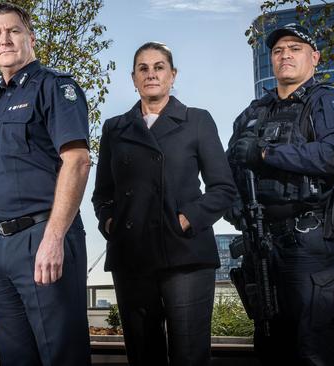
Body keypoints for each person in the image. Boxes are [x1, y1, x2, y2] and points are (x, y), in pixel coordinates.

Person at [0, 3, 92, 365]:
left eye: (13, 30)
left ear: (30, 38)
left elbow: (77, 161)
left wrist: (53, 239)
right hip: (1, 250)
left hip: (43, 236)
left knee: (61, 356)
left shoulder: (54, 86)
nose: (5, 39)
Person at [91, 41, 236, 366]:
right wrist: (110, 222)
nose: (151, 74)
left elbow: (223, 188)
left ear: (173, 75)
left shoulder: (197, 120)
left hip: (186, 255)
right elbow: (103, 194)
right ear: (133, 78)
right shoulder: (115, 128)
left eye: (159, 67)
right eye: (143, 68)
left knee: (189, 356)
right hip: (132, 256)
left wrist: (186, 219)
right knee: (143, 356)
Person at [227, 23, 334, 365]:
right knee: (271, 347)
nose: (285, 55)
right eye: (278, 50)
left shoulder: (326, 101)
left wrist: (267, 155)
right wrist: (235, 209)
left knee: (316, 349)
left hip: (309, 243)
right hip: (261, 243)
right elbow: (226, 174)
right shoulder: (254, 113)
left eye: (295, 49)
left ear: (314, 57)